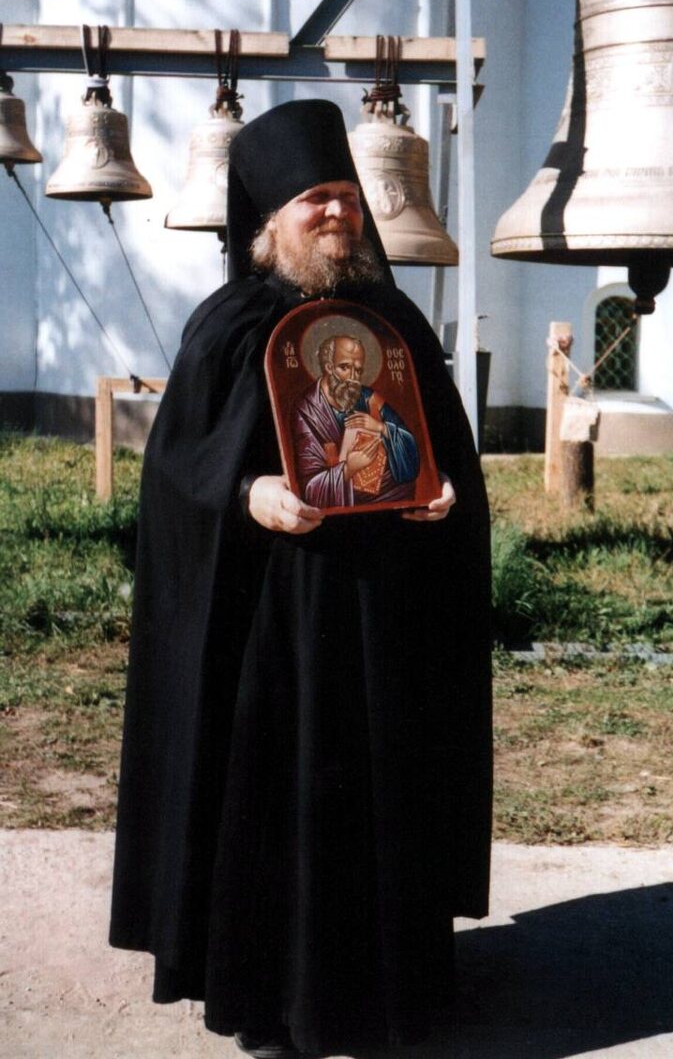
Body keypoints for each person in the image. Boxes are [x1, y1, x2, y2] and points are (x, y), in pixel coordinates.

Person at [109, 99, 493, 1059]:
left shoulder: (393, 322)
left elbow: (432, 448)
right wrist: (249, 494)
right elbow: (177, 473)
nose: (336, 215)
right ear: (269, 220)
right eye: (314, 200)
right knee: (274, 800)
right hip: (270, 623)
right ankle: (271, 999)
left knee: (383, 791)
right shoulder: (232, 325)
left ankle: (392, 988)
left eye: (346, 199)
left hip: (384, 614)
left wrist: (442, 491)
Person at [293, 333, 420, 508]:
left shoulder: (369, 398)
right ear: (329, 367)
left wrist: (381, 427)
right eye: (344, 367)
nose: (353, 377)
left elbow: (410, 451)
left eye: (358, 370)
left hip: (389, 495)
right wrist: (349, 468)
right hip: (346, 501)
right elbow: (310, 487)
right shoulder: (308, 410)